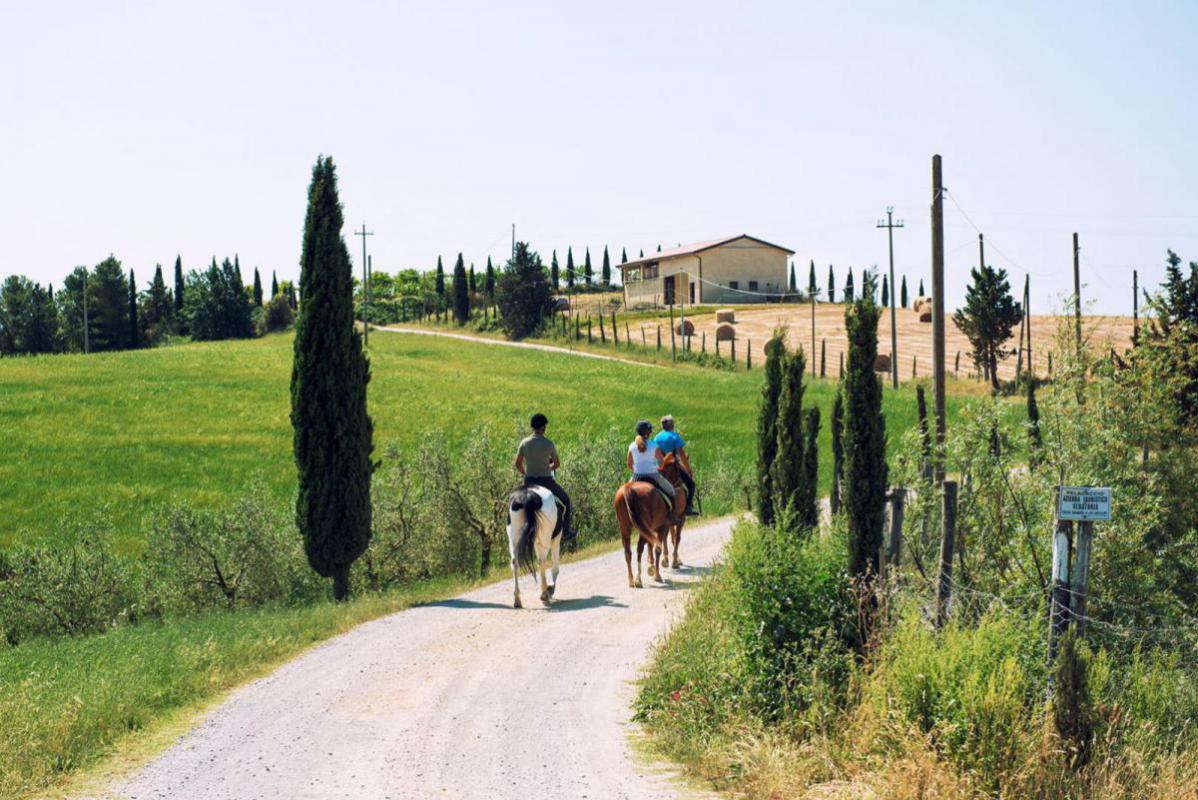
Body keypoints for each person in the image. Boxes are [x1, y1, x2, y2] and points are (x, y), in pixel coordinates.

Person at [515, 413, 574, 540]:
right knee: (566, 501)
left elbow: (518, 464)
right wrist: (548, 468)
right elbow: (557, 464)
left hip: (529, 482)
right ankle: (566, 531)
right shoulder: (548, 444)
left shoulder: (524, 443)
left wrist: (526, 473)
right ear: (543, 427)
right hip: (546, 481)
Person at [626, 419, 682, 524]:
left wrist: (637, 470)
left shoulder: (632, 446)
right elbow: (661, 465)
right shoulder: (654, 446)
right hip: (653, 476)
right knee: (671, 491)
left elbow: (629, 464)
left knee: (626, 492)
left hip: (636, 476)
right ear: (648, 432)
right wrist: (656, 467)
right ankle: (671, 515)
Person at [654, 415, 698, 515]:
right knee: (691, 485)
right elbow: (681, 455)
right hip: (673, 467)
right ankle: (688, 507)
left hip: (661, 468)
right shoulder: (675, 437)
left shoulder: (657, 437)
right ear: (672, 425)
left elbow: (656, 454)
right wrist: (688, 469)